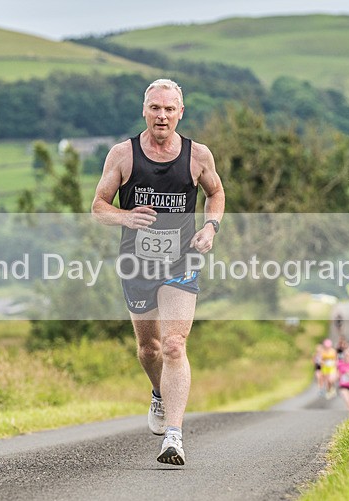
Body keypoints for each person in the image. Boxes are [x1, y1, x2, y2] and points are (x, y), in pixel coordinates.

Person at [92, 79, 225, 466]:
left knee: (173, 345)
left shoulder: (198, 155)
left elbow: (215, 193)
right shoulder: (123, 155)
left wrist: (210, 227)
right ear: (144, 110)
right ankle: (158, 393)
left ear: (180, 112)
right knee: (149, 349)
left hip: (181, 262)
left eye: (169, 109)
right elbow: (99, 207)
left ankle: (173, 436)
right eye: (155, 108)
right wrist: (125, 216)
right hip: (137, 264)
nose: (162, 116)